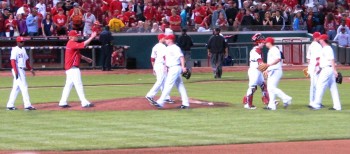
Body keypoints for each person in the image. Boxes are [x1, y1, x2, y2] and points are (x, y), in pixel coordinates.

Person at [59, 30, 97, 108]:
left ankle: (62, 102)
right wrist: (92, 37)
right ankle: (84, 102)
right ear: (71, 37)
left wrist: (86, 58)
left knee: (68, 85)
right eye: (76, 36)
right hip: (73, 69)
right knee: (78, 85)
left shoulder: (71, 44)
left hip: (70, 68)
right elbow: (83, 44)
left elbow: (78, 54)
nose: (78, 37)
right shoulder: (71, 43)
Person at [151, 34, 189, 109]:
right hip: (171, 68)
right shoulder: (167, 48)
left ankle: (160, 102)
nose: (166, 40)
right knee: (180, 85)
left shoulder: (175, 48)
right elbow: (166, 59)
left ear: (171, 40)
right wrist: (165, 66)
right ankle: (186, 103)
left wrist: (183, 67)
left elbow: (181, 57)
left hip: (176, 67)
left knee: (168, 84)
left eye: (167, 39)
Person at [309, 34, 341, 111]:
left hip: (327, 69)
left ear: (323, 40)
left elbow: (332, 60)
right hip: (325, 68)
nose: (319, 40)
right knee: (333, 88)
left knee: (320, 85)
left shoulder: (328, 49)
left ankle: (316, 104)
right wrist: (319, 68)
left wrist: (334, 70)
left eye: (320, 39)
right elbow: (323, 61)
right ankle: (337, 106)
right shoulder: (324, 48)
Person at [6, 36, 36, 111]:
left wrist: (30, 69)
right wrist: (16, 72)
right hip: (17, 70)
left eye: (23, 41)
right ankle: (27, 105)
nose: (22, 43)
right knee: (24, 87)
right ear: (17, 42)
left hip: (22, 70)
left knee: (16, 88)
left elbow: (26, 61)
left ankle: (10, 105)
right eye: (21, 42)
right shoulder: (14, 50)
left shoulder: (23, 49)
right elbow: (12, 61)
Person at [263, 37, 292, 110]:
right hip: (272, 70)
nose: (265, 43)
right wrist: (267, 69)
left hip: (275, 70)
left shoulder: (274, 49)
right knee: (270, 89)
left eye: (266, 42)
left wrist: (269, 66)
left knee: (271, 88)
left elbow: (278, 59)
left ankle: (286, 98)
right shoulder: (271, 50)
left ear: (269, 42)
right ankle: (271, 106)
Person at [145, 34, 174, 105]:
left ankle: (166, 97)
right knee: (160, 81)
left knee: (164, 81)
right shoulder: (163, 46)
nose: (165, 39)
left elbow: (152, 58)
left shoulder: (155, 46)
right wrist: (167, 66)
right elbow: (165, 57)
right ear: (161, 38)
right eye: (164, 38)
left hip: (157, 65)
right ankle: (150, 95)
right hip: (161, 65)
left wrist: (153, 68)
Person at [242, 33, 269, 110]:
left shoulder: (258, 50)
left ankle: (268, 102)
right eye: (262, 42)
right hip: (254, 70)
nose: (263, 44)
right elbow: (260, 62)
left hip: (258, 70)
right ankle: (248, 104)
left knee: (263, 86)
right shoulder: (255, 50)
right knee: (252, 87)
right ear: (258, 42)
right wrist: (265, 70)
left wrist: (264, 70)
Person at [306, 32, 323, 108]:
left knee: (313, 85)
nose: (320, 38)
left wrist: (310, 66)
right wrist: (318, 67)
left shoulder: (311, 45)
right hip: (316, 67)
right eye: (319, 37)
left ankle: (313, 102)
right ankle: (314, 102)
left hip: (312, 67)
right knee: (316, 85)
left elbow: (308, 59)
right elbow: (318, 58)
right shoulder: (318, 46)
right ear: (315, 38)